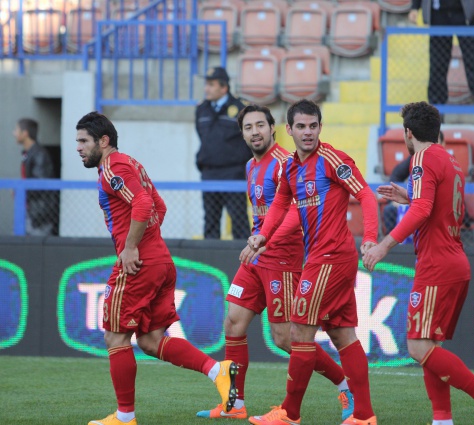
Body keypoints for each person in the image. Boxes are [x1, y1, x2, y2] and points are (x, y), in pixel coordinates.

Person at [75, 111, 237, 425]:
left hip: (139, 264)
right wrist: (148, 242)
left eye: (84, 141)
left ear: (103, 141)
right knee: (150, 340)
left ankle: (125, 417)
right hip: (160, 260)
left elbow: (144, 204)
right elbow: (159, 206)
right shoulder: (131, 163)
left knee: (115, 338)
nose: (78, 148)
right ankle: (218, 371)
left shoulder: (112, 167)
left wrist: (132, 246)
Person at [196, 104, 354, 421]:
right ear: (242, 134)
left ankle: (345, 385)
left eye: (260, 125)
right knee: (233, 322)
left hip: (282, 257)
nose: (255, 132)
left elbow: (297, 211)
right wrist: (259, 241)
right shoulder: (250, 166)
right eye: (248, 127)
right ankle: (235, 403)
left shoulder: (285, 163)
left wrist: (266, 240)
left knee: (286, 338)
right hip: (257, 254)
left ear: (272, 128)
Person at [362, 101, 474, 425]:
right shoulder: (449, 159)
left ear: (408, 133)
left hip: (436, 264)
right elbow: (436, 205)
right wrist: (409, 197)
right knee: (430, 346)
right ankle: (442, 420)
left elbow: (422, 210)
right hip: (453, 260)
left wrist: (384, 245)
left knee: (418, 347)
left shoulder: (422, 158)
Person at [243, 99, 379, 425]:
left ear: (321, 127)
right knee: (343, 335)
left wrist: (371, 237)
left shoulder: (333, 159)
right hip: (320, 257)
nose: (308, 132)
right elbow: (280, 203)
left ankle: (289, 413)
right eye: (301, 126)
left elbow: (365, 195)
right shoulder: (291, 167)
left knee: (299, 332)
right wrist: (263, 235)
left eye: (313, 126)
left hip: (331, 258)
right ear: (288, 129)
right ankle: (363, 415)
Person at [195, 66, 252, 240]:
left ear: (224, 87)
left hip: (233, 174)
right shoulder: (201, 109)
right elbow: (203, 137)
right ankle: (210, 257)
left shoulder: (241, 109)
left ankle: (244, 257)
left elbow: (250, 141)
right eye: (206, 84)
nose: (206, 88)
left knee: (239, 221)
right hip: (209, 173)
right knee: (210, 222)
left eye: (211, 85)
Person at [409, 0, 474, 118]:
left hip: (465, 14)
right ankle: (435, 113)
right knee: (437, 66)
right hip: (438, 15)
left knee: (473, 64)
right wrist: (415, 7)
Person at [382, 130, 445, 234]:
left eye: (436, 140)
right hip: (417, 202)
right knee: (389, 209)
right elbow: (396, 175)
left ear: (443, 143)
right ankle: (395, 243)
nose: (432, 144)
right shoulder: (417, 158)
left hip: (438, 206)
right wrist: (402, 198)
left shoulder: (448, 162)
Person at [13, 118, 59, 236]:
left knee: (36, 245)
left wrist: (20, 190)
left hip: (39, 216)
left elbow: (39, 185)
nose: (14, 133)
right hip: (30, 211)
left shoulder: (39, 154)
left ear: (25, 133)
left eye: (16, 130)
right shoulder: (28, 153)